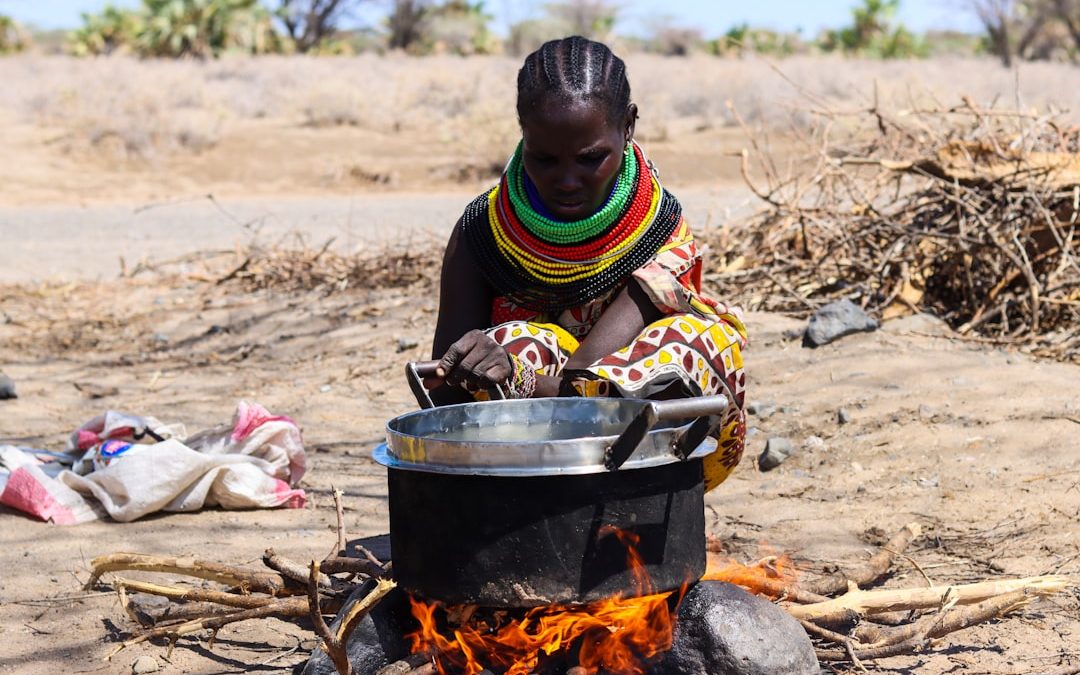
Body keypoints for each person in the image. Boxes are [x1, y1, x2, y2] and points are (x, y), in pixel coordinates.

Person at [428, 36, 747, 491]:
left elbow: (586, 386)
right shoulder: (483, 233)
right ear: (522, 133)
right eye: (544, 158)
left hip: (637, 455)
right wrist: (475, 367)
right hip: (524, 468)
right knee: (509, 340)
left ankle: (648, 509)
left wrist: (518, 379)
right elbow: (443, 400)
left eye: (590, 158)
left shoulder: (656, 230)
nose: (568, 180)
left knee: (693, 341)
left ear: (629, 125)